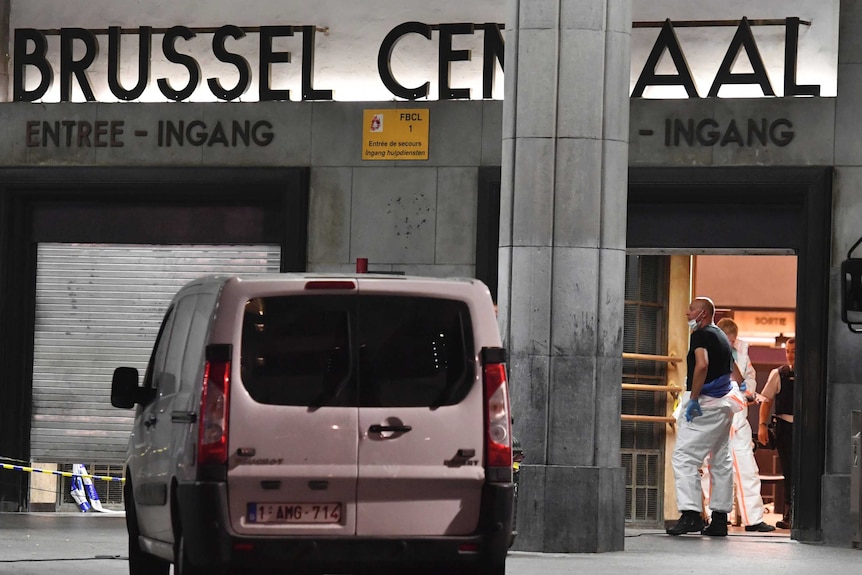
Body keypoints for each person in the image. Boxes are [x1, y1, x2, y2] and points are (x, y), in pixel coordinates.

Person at [667, 297, 745, 537]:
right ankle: (720, 519)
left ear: (702, 313)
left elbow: (701, 365)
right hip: (725, 404)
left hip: (706, 405)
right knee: (720, 460)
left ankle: (691, 515)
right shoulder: (721, 334)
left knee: (683, 457)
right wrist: (740, 387)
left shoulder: (700, 336)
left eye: (691, 309)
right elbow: (736, 372)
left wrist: (693, 399)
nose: (686, 313)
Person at [700, 318, 775, 532]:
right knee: (712, 470)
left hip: (738, 419)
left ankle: (754, 519)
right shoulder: (705, 353)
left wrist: (748, 390)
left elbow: (750, 377)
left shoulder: (741, 352)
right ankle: (717, 517)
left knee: (747, 470)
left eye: (733, 340)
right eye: (728, 340)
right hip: (714, 418)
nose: (731, 344)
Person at [758, 337, 795, 530]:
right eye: (788, 351)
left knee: (803, 471)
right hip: (784, 426)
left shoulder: (811, 371)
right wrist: (762, 425)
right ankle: (789, 512)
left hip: (805, 429)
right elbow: (766, 400)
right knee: (788, 470)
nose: (790, 355)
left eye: (794, 351)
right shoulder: (778, 374)